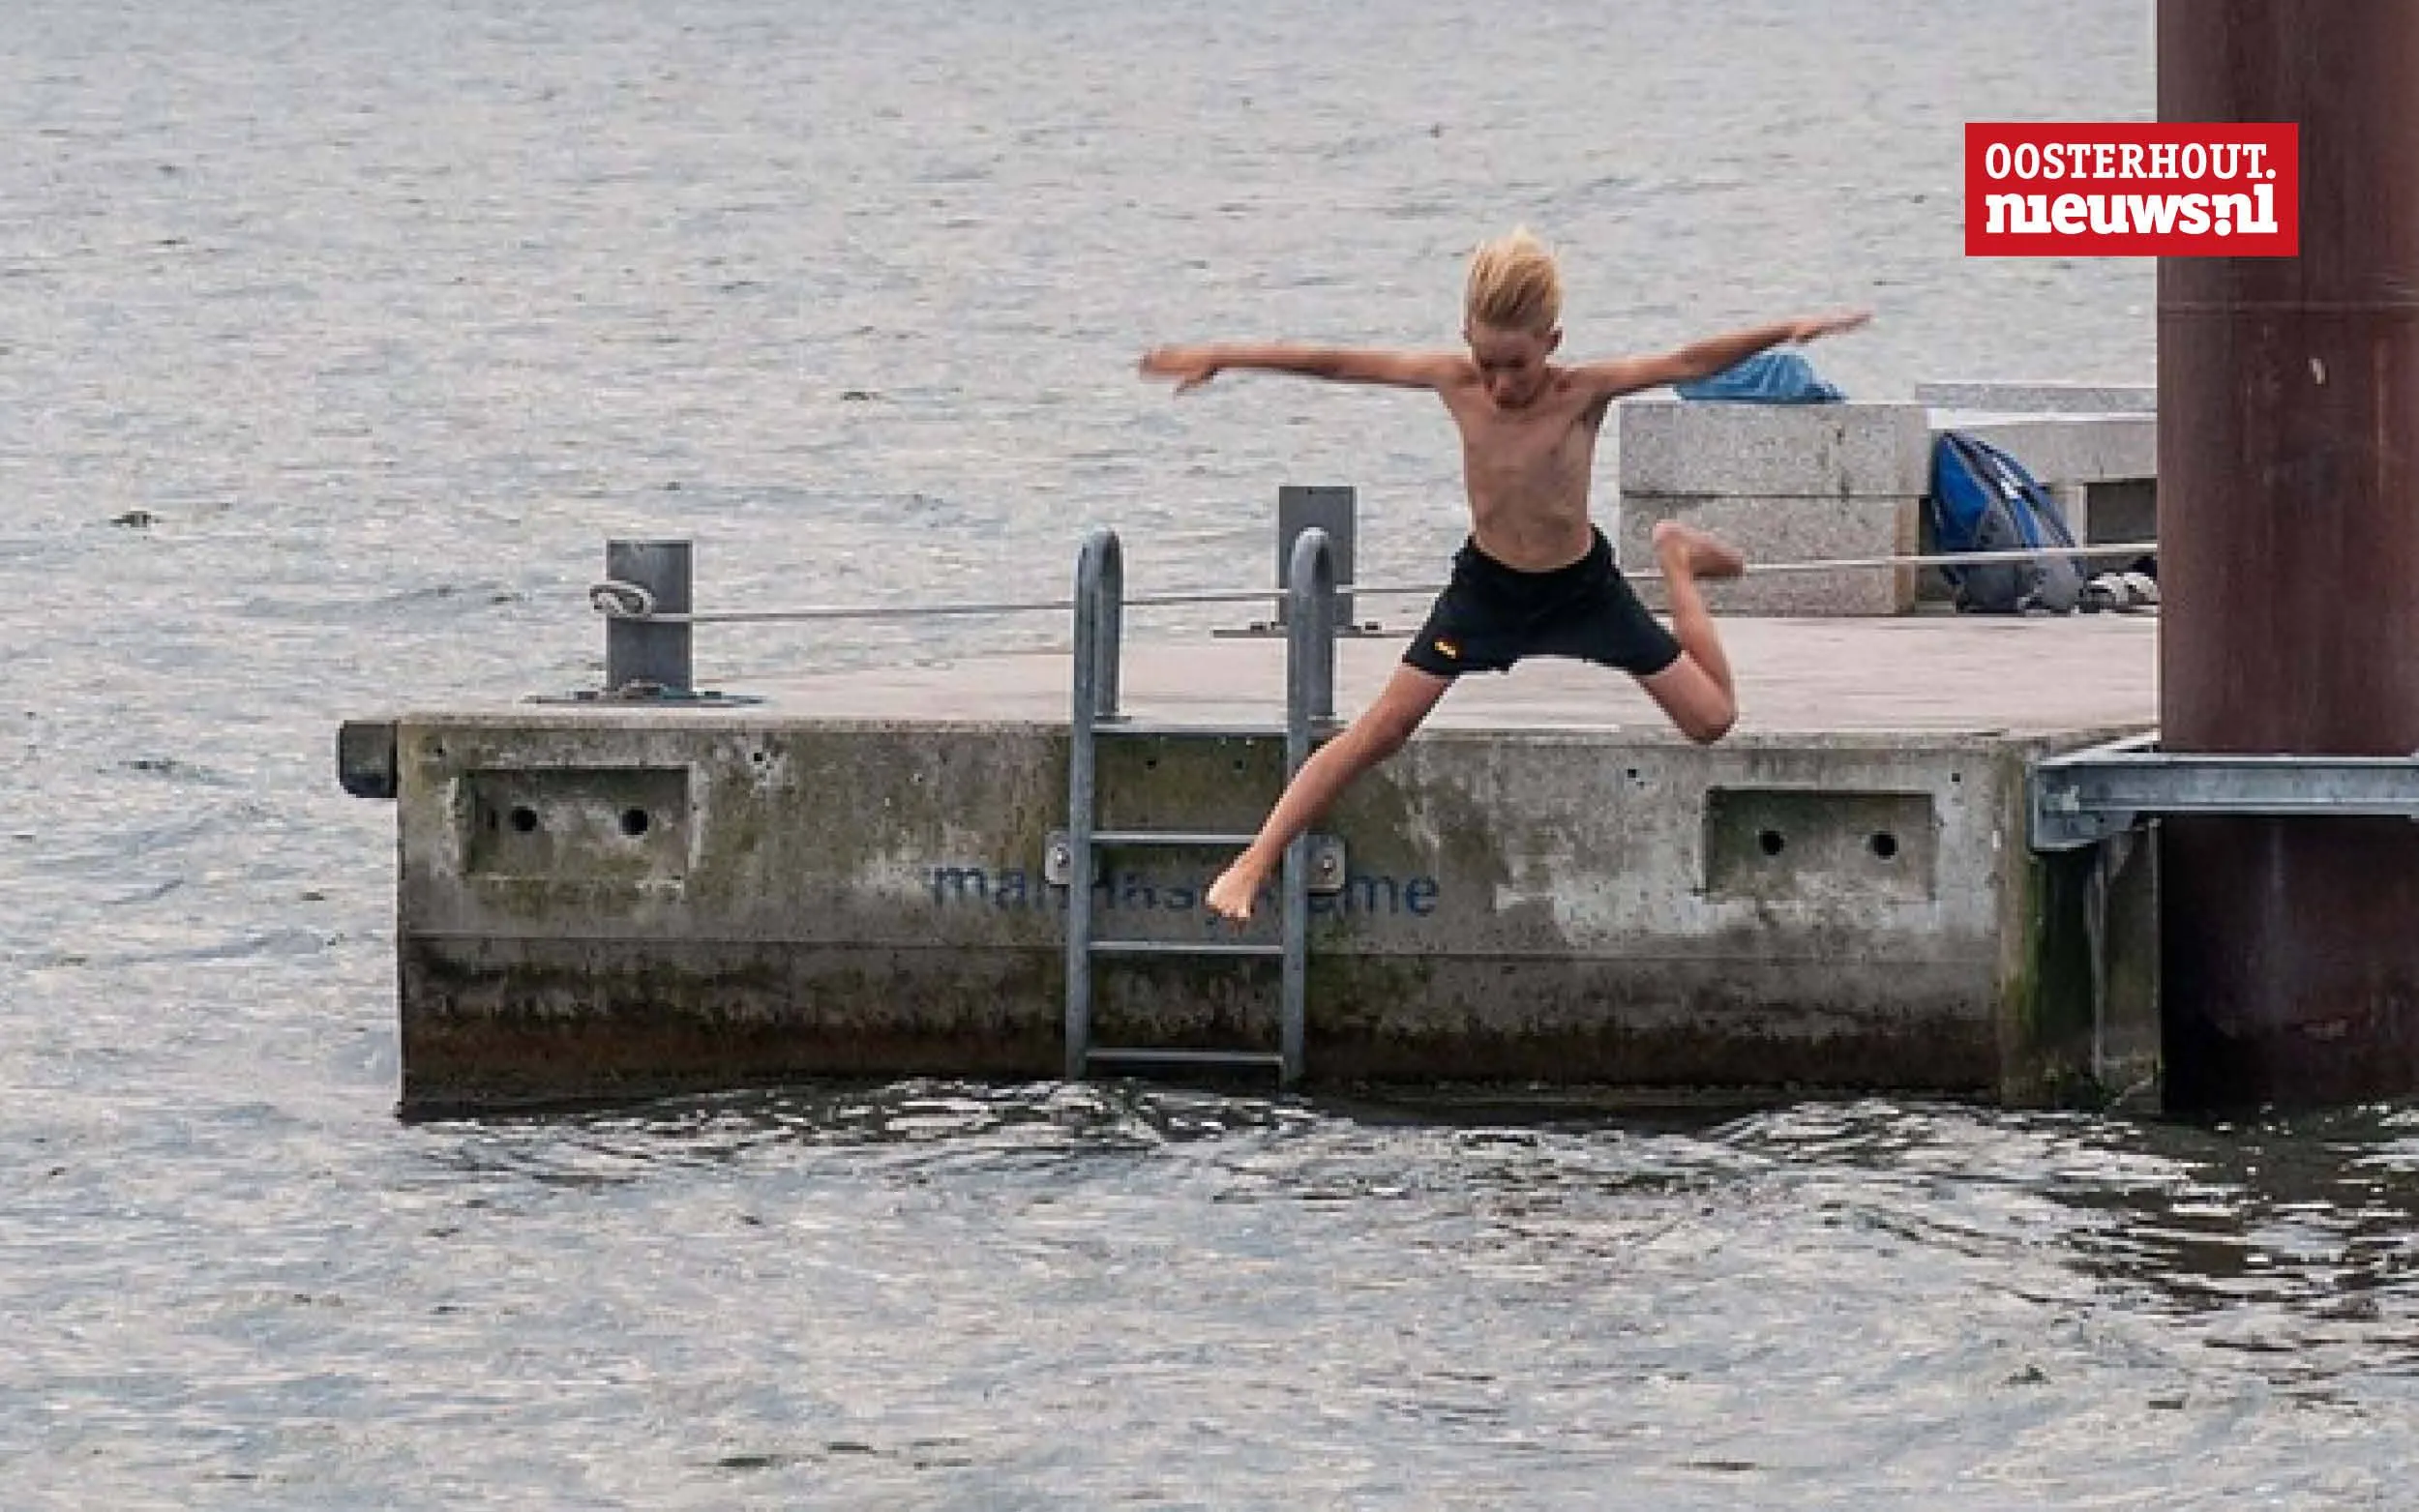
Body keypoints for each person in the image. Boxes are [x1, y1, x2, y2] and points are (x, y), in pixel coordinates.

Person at [1139, 227, 1869, 921]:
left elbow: (1688, 361)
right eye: (1485, 362)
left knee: (1712, 720)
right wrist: (1223, 354)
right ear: (1467, 340)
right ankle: (1256, 858)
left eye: (1515, 365)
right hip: (1488, 590)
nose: (1497, 383)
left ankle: (1675, 557)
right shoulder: (1454, 381)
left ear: (1551, 343)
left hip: (1582, 588)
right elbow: (1336, 362)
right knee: (1383, 727)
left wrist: (1785, 329)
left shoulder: (1583, 391)